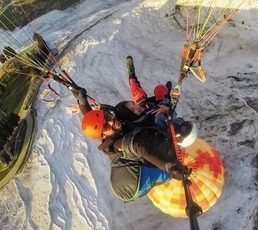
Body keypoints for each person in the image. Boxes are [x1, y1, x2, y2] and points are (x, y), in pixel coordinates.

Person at [70, 56, 196, 202]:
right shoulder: (121, 143)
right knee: (161, 163)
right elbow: (140, 147)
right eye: (107, 126)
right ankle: (168, 169)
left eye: (108, 117)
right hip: (135, 181)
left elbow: (94, 121)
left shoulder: (108, 130)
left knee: (147, 135)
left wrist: (82, 101)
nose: (112, 123)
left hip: (123, 174)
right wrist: (170, 166)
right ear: (104, 134)